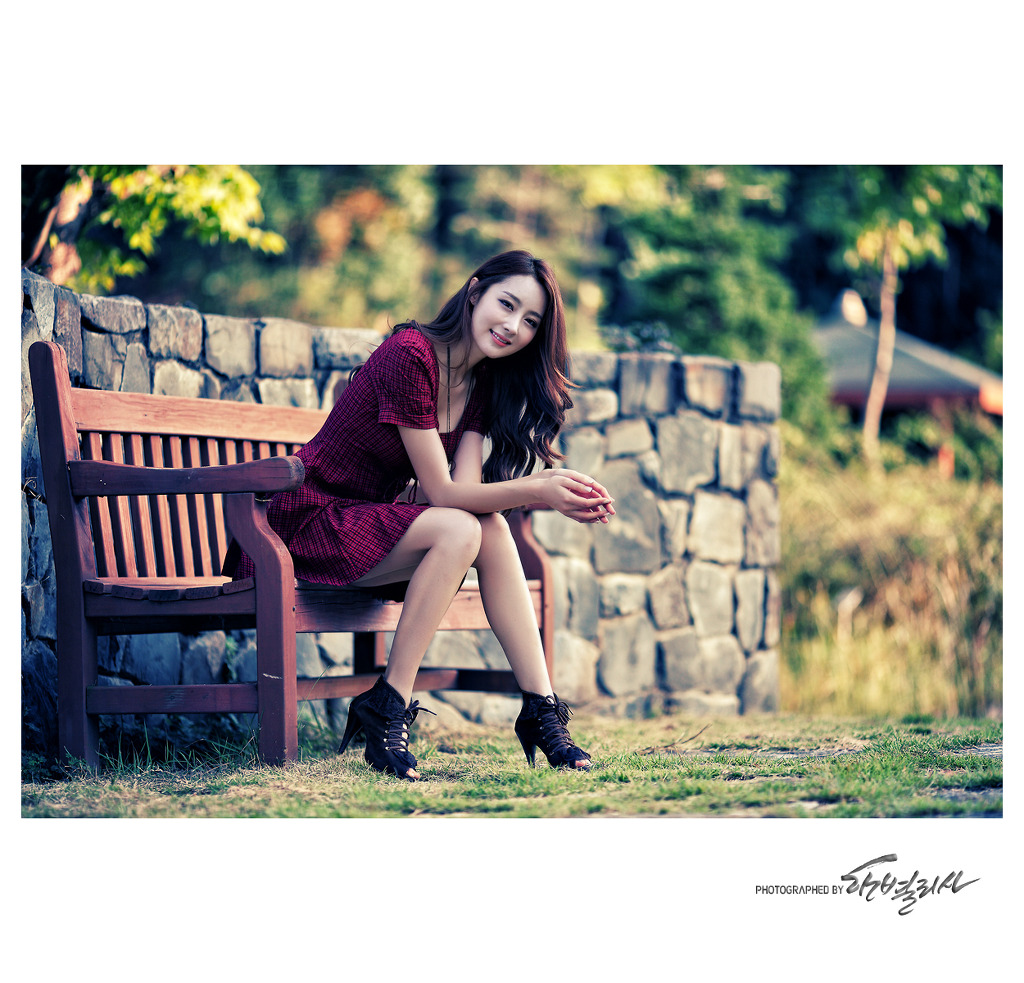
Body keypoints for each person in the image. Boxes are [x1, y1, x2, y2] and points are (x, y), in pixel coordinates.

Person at [229, 249, 615, 779]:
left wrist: (538, 490)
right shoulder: (410, 355)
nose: (513, 327)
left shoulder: (481, 384)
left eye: (530, 322)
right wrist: (540, 489)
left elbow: (465, 493)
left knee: (488, 528)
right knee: (459, 528)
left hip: (360, 525)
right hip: (301, 525)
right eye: (507, 305)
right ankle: (389, 702)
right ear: (475, 292)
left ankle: (541, 711)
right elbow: (441, 491)